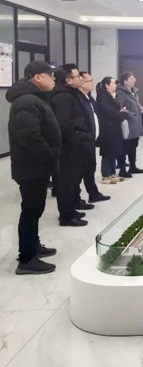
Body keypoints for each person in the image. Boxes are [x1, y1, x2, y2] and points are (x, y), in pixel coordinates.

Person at [6, 61, 61, 274]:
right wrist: (50, 157)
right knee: (30, 211)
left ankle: (33, 246)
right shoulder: (27, 101)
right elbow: (31, 136)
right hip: (32, 167)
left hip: (36, 167)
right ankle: (27, 259)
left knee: (35, 209)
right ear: (38, 77)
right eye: (50, 75)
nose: (54, 79)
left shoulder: (34, 98)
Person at [49, 64, 90, 227]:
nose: (80, 78)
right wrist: (75, 140)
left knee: (73, 180)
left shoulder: (71, 94)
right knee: (66, 181)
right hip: (68, 147)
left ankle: (71, 209)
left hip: (74, 144)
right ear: (68, 80)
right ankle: (66, 216)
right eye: (77, 76)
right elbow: (64, 124)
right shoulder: (63, 97)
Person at [76, 71, 111, 203]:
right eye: (89, 80)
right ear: (81, 82)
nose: (92, 83)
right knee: (80, 171)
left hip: (91, 140)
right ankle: (76, 198)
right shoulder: (77, 99)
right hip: (82, 140)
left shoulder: (89, 98)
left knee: (90, 168)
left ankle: (93, 193)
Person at [96, 76, 130, 184]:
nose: (116, 85)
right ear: (107, 85)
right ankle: (106, 175)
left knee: (113, 151)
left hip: (114, 128)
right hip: (107, 129)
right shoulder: (103, 97)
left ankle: (112, 173)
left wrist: (120, 112)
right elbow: (110, 113)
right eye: (113, 83)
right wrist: (122, 114)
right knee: (107, 152)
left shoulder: (110, 96)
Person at [116, 72, 143, 178]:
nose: (134, 80)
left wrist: (140, 107)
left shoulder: (133, 91)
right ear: (125, 81)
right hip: (128, 123)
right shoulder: (120, 93)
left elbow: (135, 103)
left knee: (133, 145)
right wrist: (131, 114)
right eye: (131, 79)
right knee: (125, 146)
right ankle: (122, 169)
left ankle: (133, 166)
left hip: (135, 122)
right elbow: (120, 108)